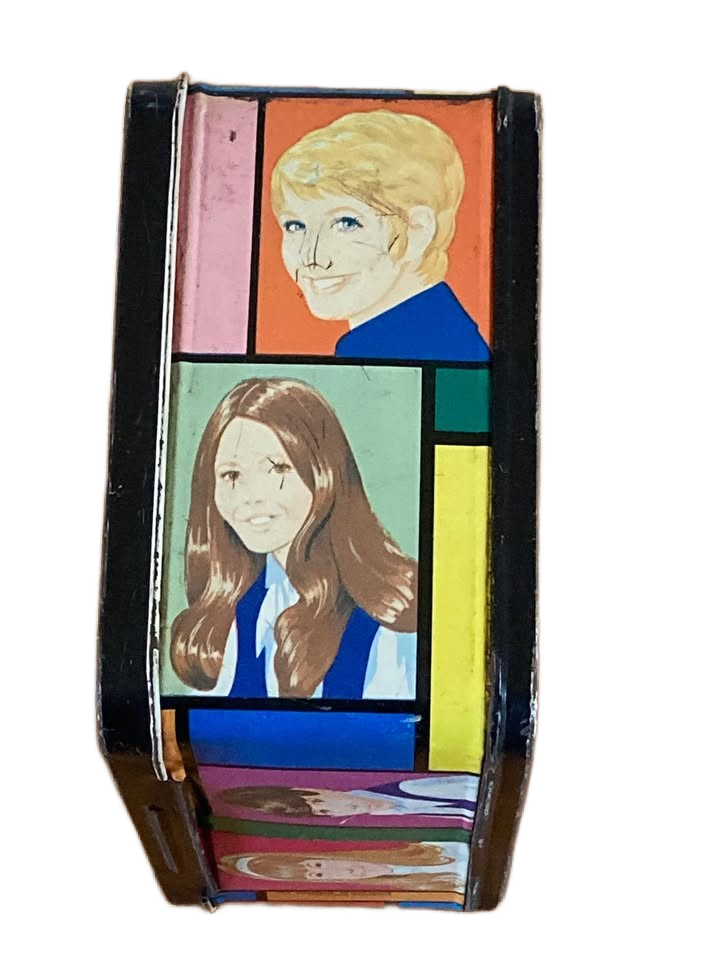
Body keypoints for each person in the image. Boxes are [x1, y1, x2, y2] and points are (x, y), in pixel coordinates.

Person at [170, 377, 417, 698]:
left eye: (277, 468)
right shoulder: (233, 615)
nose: (251, 496)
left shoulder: (389, 623)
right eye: (232, 475)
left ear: (323, 475)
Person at [271, 109, 491, 362]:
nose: (312, 257)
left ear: (417, 230)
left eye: (346, 223)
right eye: (295, 226)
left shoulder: (413, 350)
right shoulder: (433, 335)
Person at [218, 842, 468, 892]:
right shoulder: (406, 889)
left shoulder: (420, 847)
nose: (335, 871)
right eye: (317, 875)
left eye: (317, 864)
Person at [218, 775, 479, 820]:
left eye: (319, 801)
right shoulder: (391, 815)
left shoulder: (408, 786)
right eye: (322, 813)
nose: (333, 809)